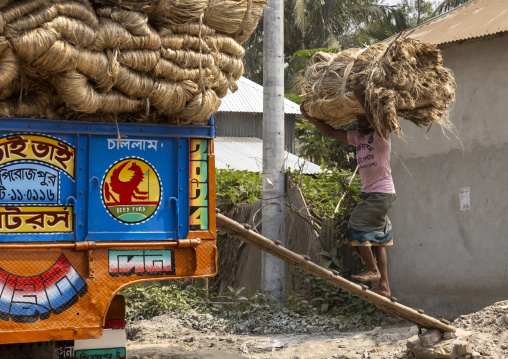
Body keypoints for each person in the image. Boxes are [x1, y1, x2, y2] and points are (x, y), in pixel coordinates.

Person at [300, 84, 396, 298]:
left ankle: (373, 270)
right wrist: (310, 119)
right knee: (378, 239)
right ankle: (385, 286)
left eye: (363, 119)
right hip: (374, 195)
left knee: (356, 225)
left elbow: (375, 117)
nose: (360, 122)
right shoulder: (358, 139)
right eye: (358, 120)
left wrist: (362, 97)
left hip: (382, 193)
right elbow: (333, 132)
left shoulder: (382, 136)